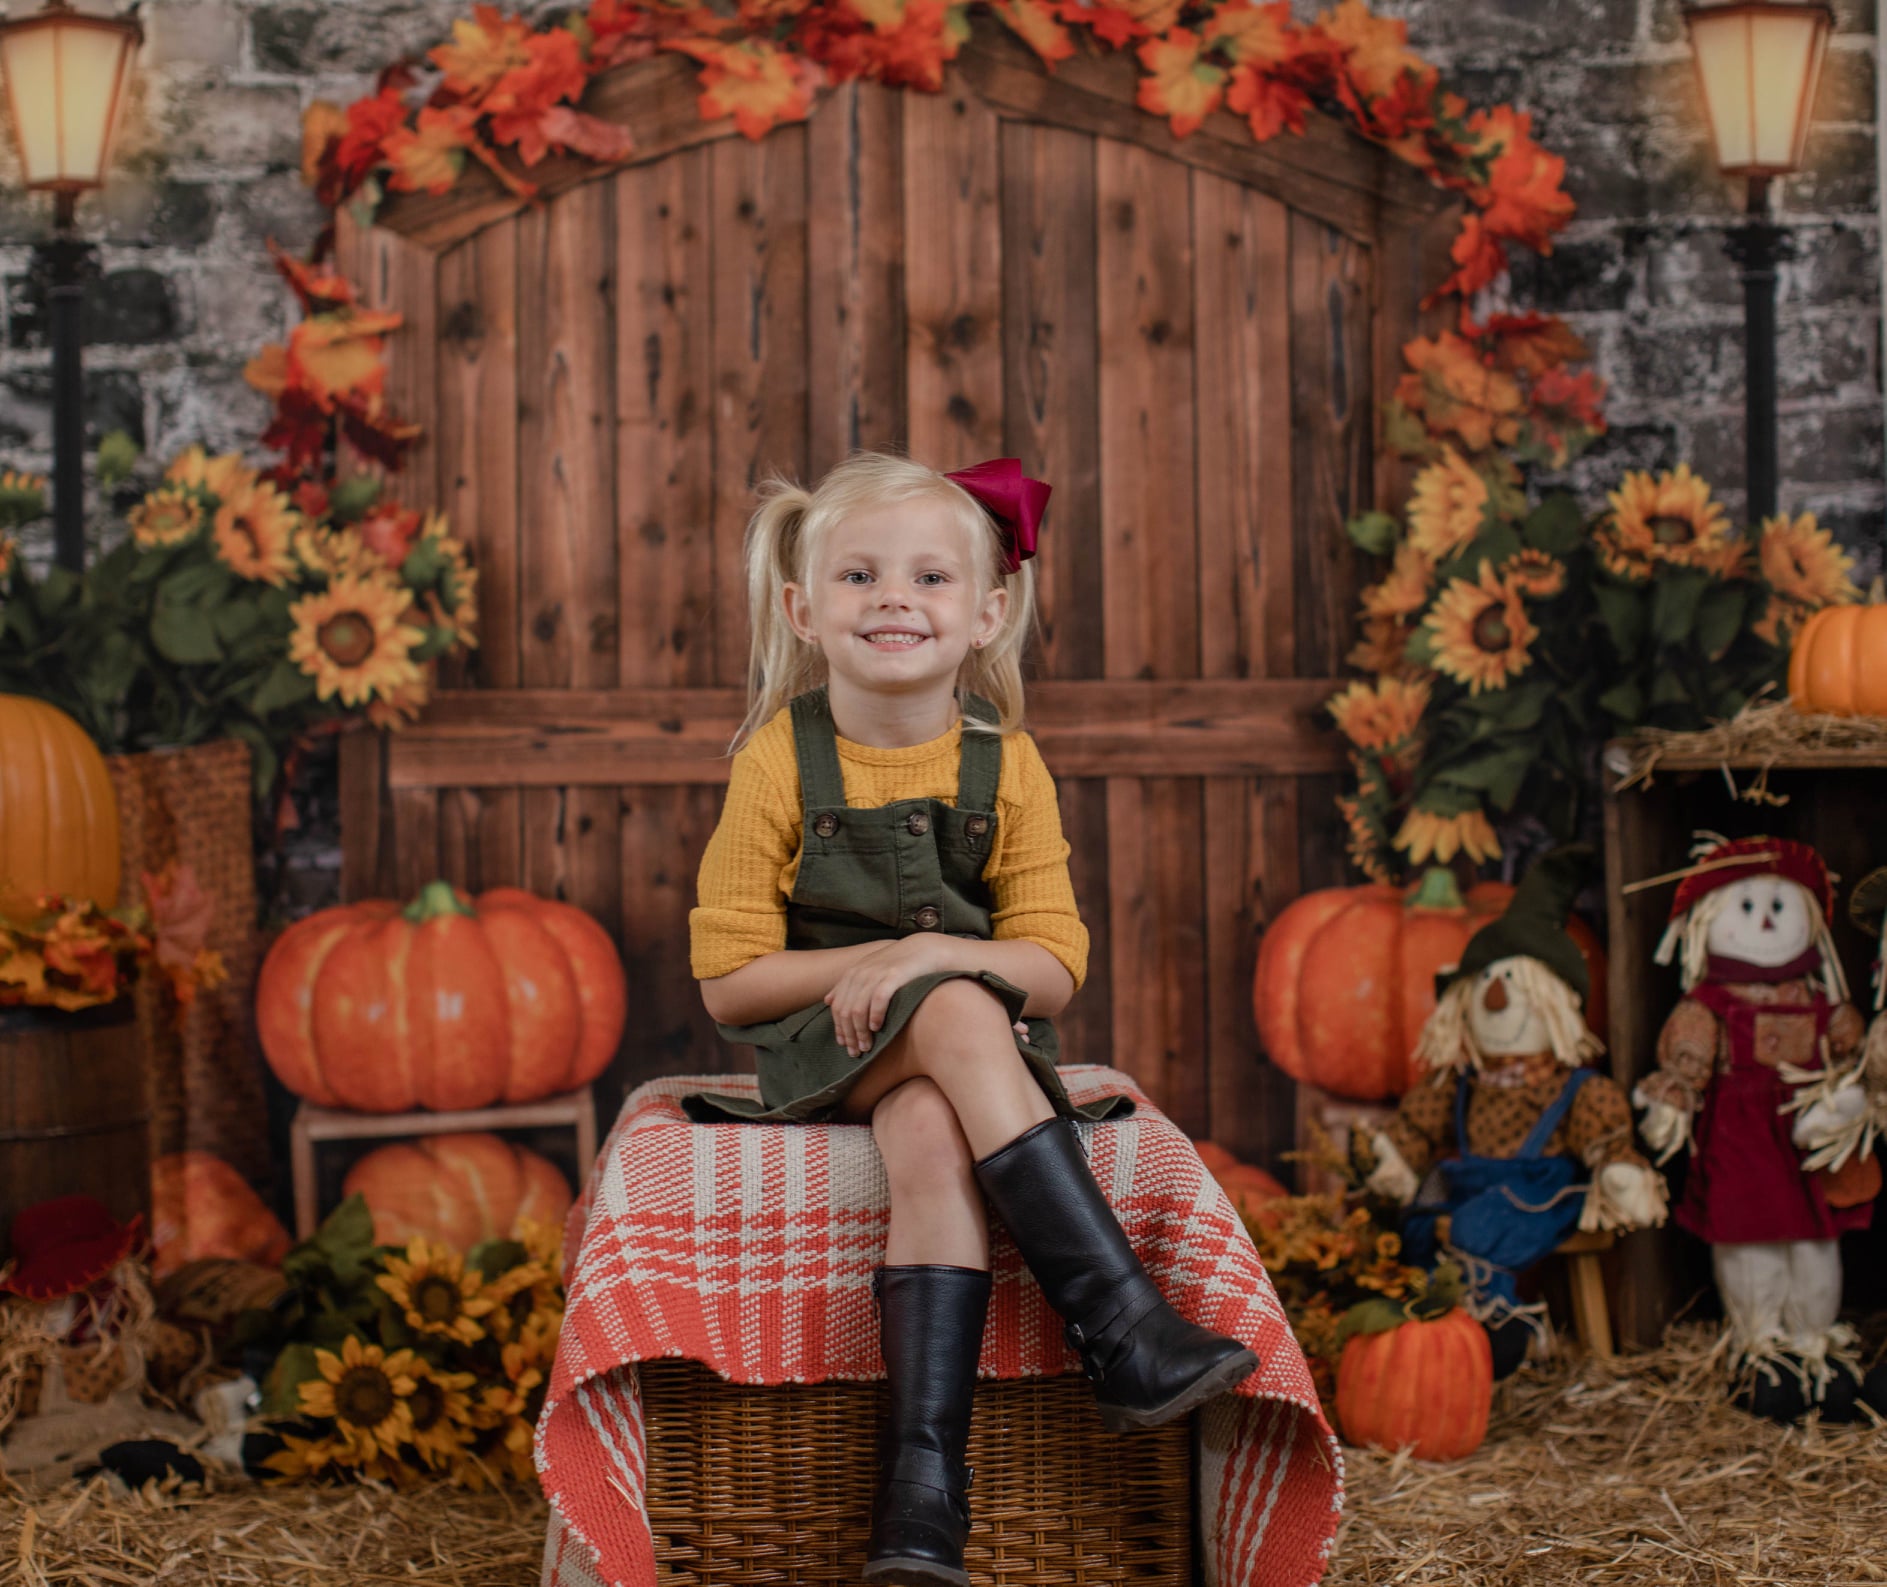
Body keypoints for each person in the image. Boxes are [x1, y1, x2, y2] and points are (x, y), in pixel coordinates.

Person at [686, 452, 1257, 1587]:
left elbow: (1053, 968)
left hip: (967, 1060)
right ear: (804, 610)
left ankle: (921, 1502)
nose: (896, 598)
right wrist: (908, 973)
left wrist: (929, 952)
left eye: (931, 578)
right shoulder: (777, 762)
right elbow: (728, 979)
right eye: (859, 575)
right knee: (950, 1008)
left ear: (988, 613)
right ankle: (1123, 1325)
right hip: (825, 1051)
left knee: (933, 1142)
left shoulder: (1011, 765)